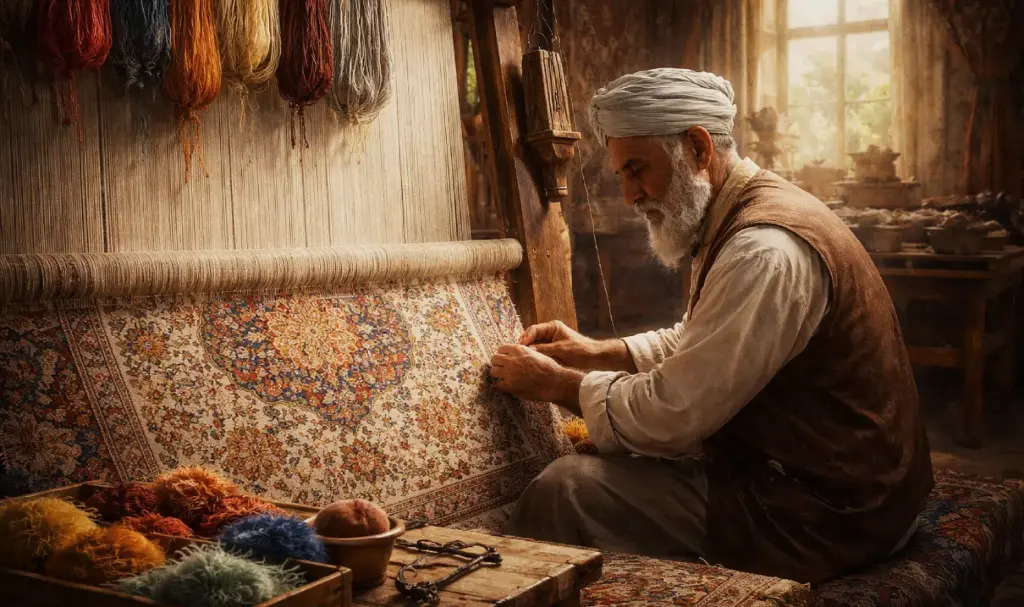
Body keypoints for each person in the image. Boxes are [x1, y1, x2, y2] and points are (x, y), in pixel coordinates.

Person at [487, 67, 934, 584]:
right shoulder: (745, 210)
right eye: (623, 175)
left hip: (833, 512)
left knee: (564, 488)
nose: (631, 194)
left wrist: (556, 384)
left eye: (638, 169)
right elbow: (709, 340)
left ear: (698, 149)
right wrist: (597, 352)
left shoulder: (763, 249)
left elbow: (674, 413)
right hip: (850, 488)